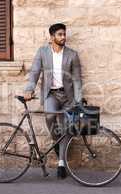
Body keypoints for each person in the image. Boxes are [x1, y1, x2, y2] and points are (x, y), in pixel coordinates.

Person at [23, 23, 82, 179]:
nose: (63, 37)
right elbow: (35, 71)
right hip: (51, 94)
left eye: (64, 34)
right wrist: (29, 89)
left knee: (65, 127)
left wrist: (78, 100)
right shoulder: (43, 52)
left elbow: (76, 80)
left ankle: (61, 163)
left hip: (67, 96)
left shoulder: (72, 55)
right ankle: (58, 143)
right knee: (49, 117)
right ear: (52, 37)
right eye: (60, 34)